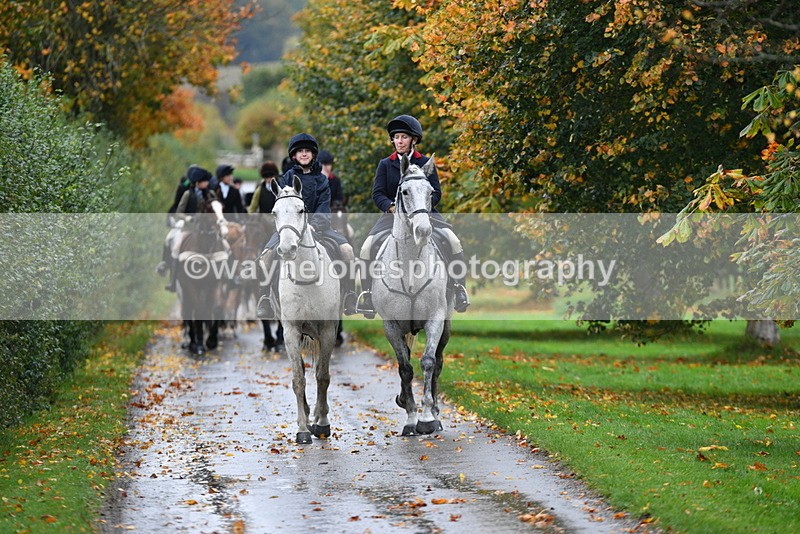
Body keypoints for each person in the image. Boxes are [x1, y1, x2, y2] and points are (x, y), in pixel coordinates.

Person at [356, 114, 470, 317]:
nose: (399, 141)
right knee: (367, 247)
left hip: (424, 214)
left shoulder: (426, 163)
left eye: (403, 137)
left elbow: (436, 191)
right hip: (393, 217)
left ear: (414, 140)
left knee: (453, 241)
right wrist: (391, 207)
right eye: (396, 137)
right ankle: (367, 294)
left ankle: (459, 288)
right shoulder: (385, 164)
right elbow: (378, 193)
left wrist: (423, 208)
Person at [256, 134, 358, 320]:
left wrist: (313, 225)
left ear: (313, 154)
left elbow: (324, 207)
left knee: (347, 250)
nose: (304, 154)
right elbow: (281, 207)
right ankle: (264, 297)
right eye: (300, 151)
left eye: (307, 151)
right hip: (290, 229)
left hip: (319, 228)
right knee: (265, 256)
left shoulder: (322, 181)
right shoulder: (285, 178)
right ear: (294, 155)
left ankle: (350, 294)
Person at [163, 166, 216, 292]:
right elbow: (179, 212)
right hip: (189, 228)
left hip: (207, 229)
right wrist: (188, 219)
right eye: (205, 181)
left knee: (224, 244)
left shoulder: (210, 194)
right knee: (175, 246)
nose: (207, 183)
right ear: (198, 182)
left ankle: (226, 276)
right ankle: (173, 281)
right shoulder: (188, 194)